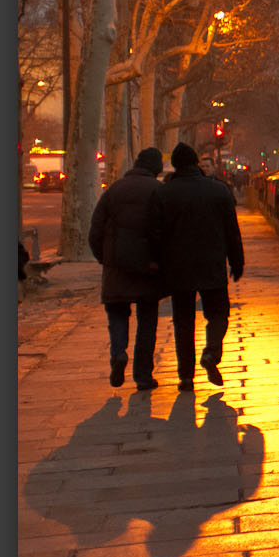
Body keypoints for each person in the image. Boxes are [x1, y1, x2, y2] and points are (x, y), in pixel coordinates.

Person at [152, 141, 243, 389]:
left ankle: (185, 376)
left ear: (176, 165)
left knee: (183, 321)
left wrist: (156, 264)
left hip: (178, 268)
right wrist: (237, 261)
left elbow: (156, 234)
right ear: (195, 164)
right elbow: (231, 231)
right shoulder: (218, 191)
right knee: (218, 314)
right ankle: (211, 352)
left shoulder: (164, 193)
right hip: (211, 264)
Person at [88, 147, 168, 389]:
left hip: (117, 267)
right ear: (156, 169)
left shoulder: (113, 191)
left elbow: (95, 230)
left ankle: (118, 353)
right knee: (147, 321)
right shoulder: (159, 191)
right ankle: (143, 375)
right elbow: (166, 232)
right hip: (149, 268)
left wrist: (105, 258)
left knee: (117, 314)